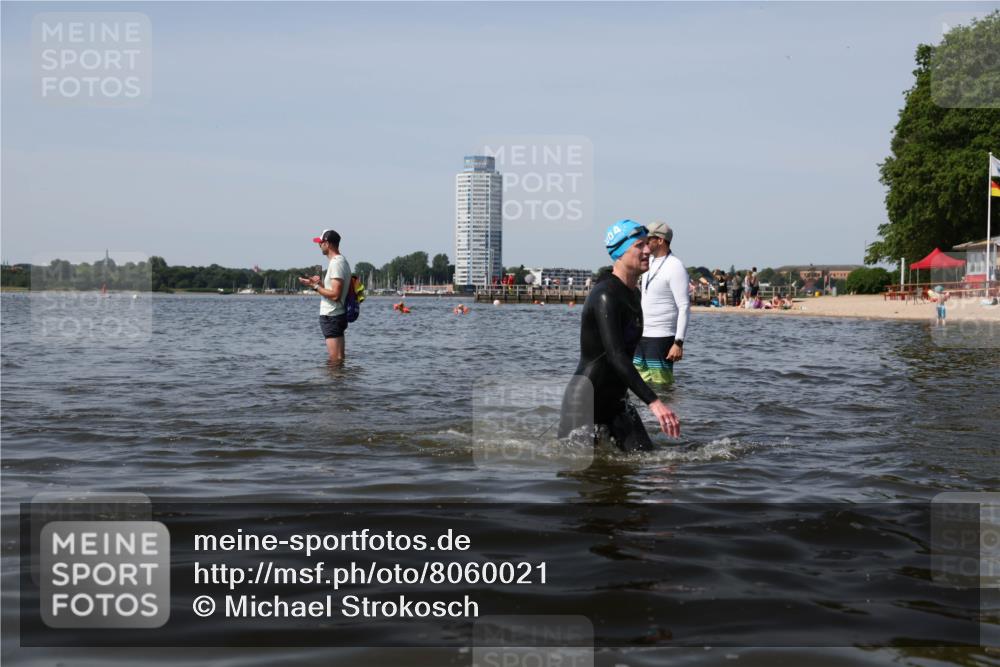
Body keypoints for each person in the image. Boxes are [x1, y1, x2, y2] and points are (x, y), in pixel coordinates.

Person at [558, 220, 681, 452]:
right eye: (639, 245)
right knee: (588, 470)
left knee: (649, 459)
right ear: (620, 253)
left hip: (617, 401)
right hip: (585, 402)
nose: (647, 250)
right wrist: (654, 402)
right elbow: (616, 356)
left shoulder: (633, 294)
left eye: (647, 244)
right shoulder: (605, 295)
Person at [634, 221, 690, 386]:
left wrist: (678, 343)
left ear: (660, 240)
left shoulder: (675, 266)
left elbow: (684, 307)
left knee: (662, 387)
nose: (644, 242)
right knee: (637, 385)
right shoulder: (647, 262)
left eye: (648, 239)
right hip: (641, 335)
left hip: (661, 336)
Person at [299, 229, 351, 363]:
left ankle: (334, 377)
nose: (319, 245)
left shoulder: (336, 263)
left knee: (335, 360)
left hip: (332, 315)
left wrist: (315, 287)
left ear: (327, 244)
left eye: (320, 243)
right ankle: (340, 377)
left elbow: (335, 295)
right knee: (339, 359)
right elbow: (333, 290)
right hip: (336, 315)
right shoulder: (340, 261)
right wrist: (317, 284)